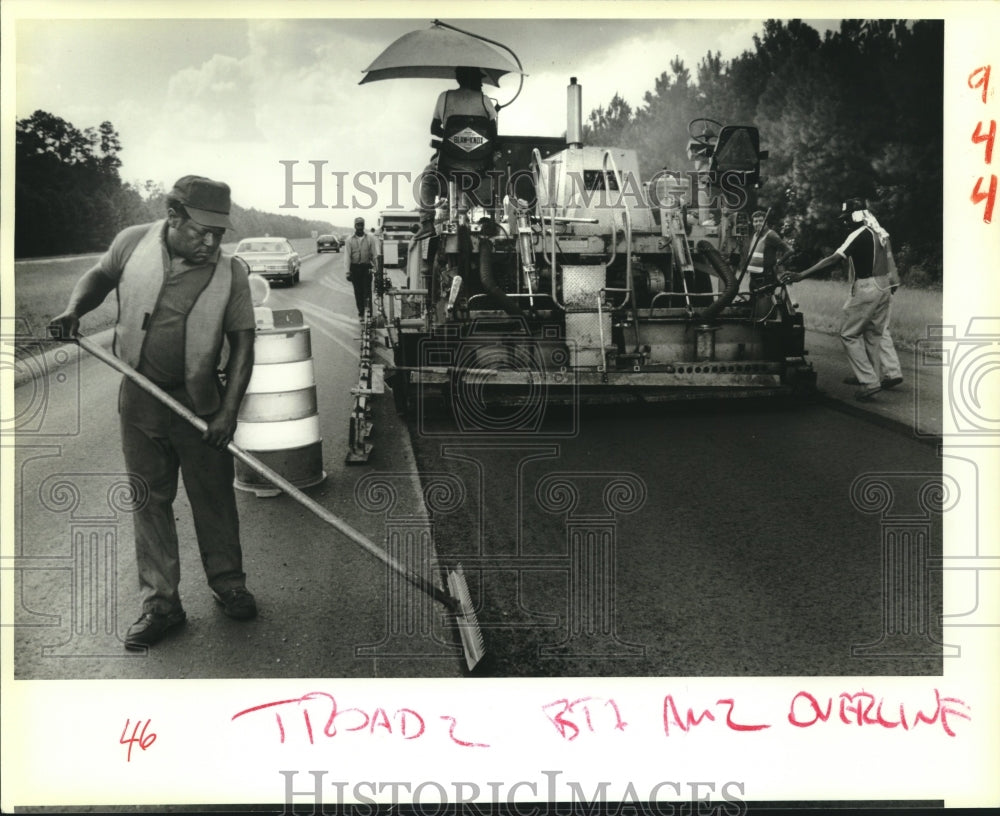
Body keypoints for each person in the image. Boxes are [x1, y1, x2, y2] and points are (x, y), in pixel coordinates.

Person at [48, 175, 258, 649]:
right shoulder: (131, 244)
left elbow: (244, 343)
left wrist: (227, 412)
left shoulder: (232, 274)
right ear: (173, 215)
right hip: (141, 398)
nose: (211, 242)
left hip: (200, 404)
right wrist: (73, 310)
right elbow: (99, 277)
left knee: (214, 497)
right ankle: (162, 605)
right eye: (201, 231)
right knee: (148, 500)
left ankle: (229, 585)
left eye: (219, 233)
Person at [781, 197, 900, 401]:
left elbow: (834, 259)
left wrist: (802, 274)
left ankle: (869, 382)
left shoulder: (858, 234)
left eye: (847, 218)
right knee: (873, 334)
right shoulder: (878, 231)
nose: (845, 222)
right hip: (884, 287)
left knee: (849, 334)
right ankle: (873, 377)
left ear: (856, 215)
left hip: (867, 287)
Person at [415, 66, 499, 239]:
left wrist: (452, 138)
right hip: (479, 163)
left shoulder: (444, 97)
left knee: (428, 177)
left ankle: (426, 222)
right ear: (472, 80)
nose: (481, 85)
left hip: (450, 162)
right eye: (479, 80)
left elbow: (434, 128)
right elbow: (493, 133)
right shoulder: (485, 100)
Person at [745, 210, 793, 291]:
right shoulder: (755, 235)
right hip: (753, 277)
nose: (758, 223)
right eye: (755, 221)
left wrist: (778, 263)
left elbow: (790, 250)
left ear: (766, 222)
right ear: (752, 223)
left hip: (766, 277)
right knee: (753, 302)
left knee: (764, 302)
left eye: (761, 221)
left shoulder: (771, 235)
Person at [344, 216, 380, 318]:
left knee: (367, 291)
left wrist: (377, 270)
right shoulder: (349, 240)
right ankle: (361, 313)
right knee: (358, 292)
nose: (360, 227)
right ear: (355, 226)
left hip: (366, 268)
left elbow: (374, 255)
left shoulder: (370, 239)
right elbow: (347, 257)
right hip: (355, 269)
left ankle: (369, 314)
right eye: (358, 225)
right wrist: (347, 272)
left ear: (364, 226)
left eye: (361, 225)